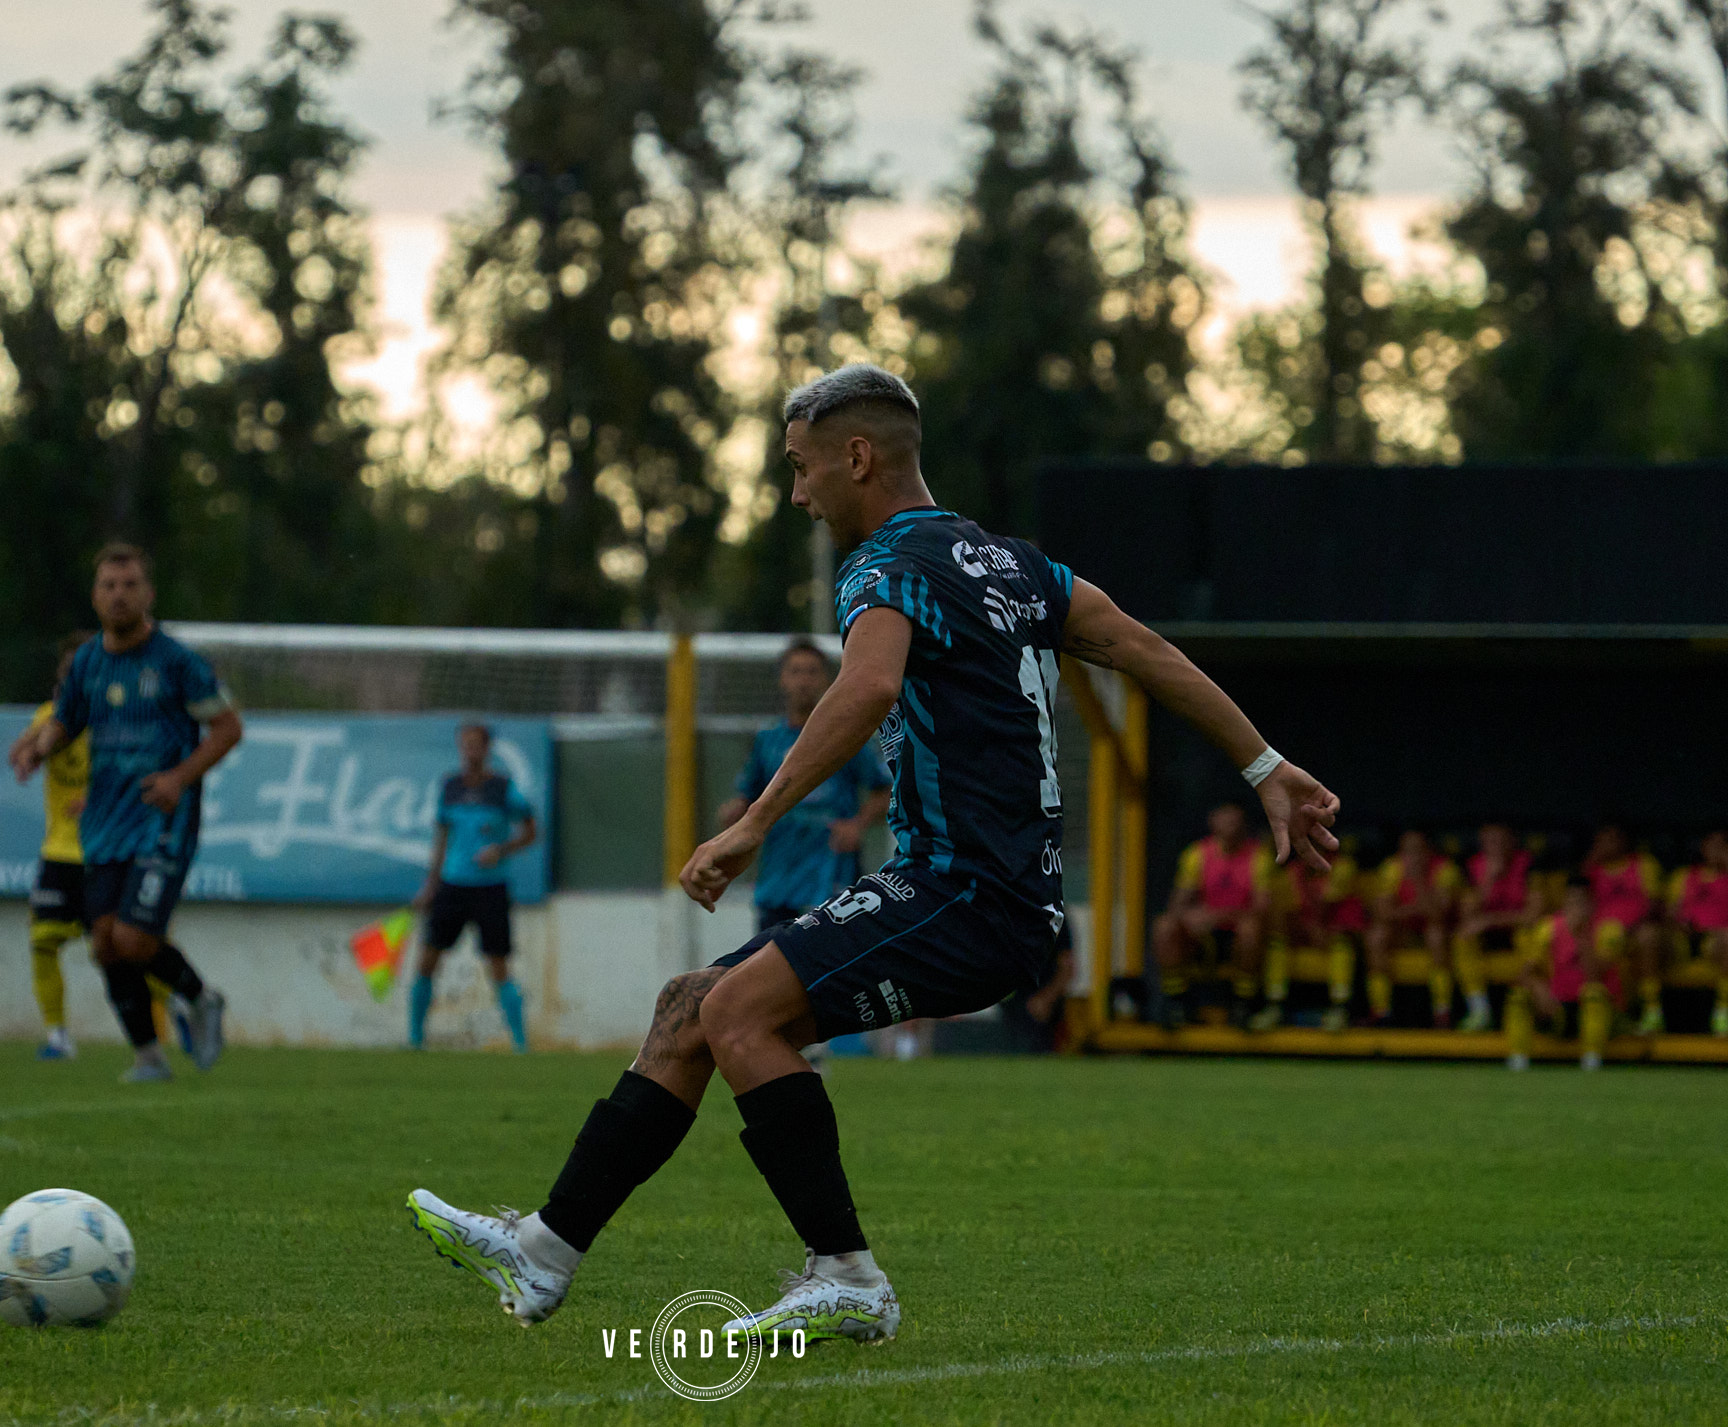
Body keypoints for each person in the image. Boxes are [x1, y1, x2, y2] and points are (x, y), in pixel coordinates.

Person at [404, 363, 1339, 1344]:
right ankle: (545, 1248)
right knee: (688, 1007)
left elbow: (867, 686)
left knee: (736, 1012)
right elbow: (1144, 647)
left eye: (800, 467)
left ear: (856, 457)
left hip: (965, 894)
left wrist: (753, 821)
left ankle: (846, 1272)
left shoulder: (883, 565)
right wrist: (1264, 764)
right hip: (974, 892)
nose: (796, 494)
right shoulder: (1013, 565)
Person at [9, 543, 241, 1083]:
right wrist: (39, 748)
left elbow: (228, 728)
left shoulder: (177, 663)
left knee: (134, 938)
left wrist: (179, 778)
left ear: (148, 594)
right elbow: (67, 718)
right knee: (106, 944)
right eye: (109, 586)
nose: (119, 595)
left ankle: (200, 998)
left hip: (163, 819)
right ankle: (149, 1057)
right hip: (104, 823)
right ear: (95, 597)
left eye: (130, 584)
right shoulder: (88, 662)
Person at [720, 638, 891, 935]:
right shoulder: (767, 740)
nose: (804, 681)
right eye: (796, 671)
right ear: (782, 679)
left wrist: (857, 824)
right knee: (767, 952)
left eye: (812, 672)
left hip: (832, 874)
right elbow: (748, 798)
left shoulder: (846, 734)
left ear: (826, 680)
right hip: (779, 876)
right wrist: (734, 818)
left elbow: (885, 790)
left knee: (833, 955)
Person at [409, 722, 540, 1053]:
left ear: (486, 749)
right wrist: (430, 886)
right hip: (452, 885)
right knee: (427, 960)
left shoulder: (502, 789)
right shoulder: (450, 787)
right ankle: (415, 1040)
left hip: (490, 888)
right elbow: (442, 839)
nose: (469, 751)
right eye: (464, 744)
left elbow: (530, 832)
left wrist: (501, 850)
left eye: (475, 744)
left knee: (498, 965)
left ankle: (520, 1044)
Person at [21, 633, 91, 1060]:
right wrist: (30, 751)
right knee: (43, 940)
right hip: (58, 851)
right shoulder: (49, 717)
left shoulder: (114, 722)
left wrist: (100, 796)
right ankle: (58, 1035)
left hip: (103, 851)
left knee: (122, 949)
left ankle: (176, 1004)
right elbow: (25, 753)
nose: (73, 677)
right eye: (68, 670)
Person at [1151, 804, 1275, 1029]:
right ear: (1212, 821)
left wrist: (1218, 916)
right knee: (1165, 926)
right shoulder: (1197, 854)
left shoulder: (1259, 857)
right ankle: (1176, 1002)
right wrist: (1190, 917)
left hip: (1237, 934)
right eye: (1224, 818)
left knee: (1251, 929)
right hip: (1202, 937)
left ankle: (1243, 1003)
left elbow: (1262, 908)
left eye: (1234, 820)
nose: (1229, 825)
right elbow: (1177, 904)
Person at [1506, 876, 1619, 1071]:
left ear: (1592, 904)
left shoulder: (1608, 929)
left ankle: (1592, 1059)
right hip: (1559, 1008)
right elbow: (1524, 975)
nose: (1576, 909)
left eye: (1581, 902)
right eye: (1571, 902)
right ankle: (1518, 1059)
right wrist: (1538, 987)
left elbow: (1595, 977)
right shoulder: (1549, 928)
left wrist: (1580, 937)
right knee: (1519, 997)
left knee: (1594, 994)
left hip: (1602, 1012)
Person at [1364, 829, 1462, 1028]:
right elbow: (1383, 913)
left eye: (1418, 850)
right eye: (1407, 851)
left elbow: (1438, 914)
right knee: (1377, 936)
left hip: (1435, 931)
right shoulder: (1392, 868)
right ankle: (1381, 1012)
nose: (1413, 856)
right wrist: (1414, 910)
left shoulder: (1445, 869)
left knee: (1436, 934)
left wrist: (1418, 881)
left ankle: (1442, 1012)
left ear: (1429, 851)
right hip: (1402, 930)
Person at [1262, 850, 1366, 1031]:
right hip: (1305, 933)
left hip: (1335, 932)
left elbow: (1329, 906)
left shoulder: (1342, 867)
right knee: (1277, 945)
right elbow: (1288, 912)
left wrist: (1319, 931)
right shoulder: (1292, 871)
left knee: (1342, 947)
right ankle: (1274, 1006)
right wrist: (1305, 931)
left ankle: (1340, 1008)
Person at [1450, 822, 1538, 1032]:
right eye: (1490, 842)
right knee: (1463, 938)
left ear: (1512, 842)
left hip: (1517, 931)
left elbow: (1534, 915)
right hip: (1486, 936)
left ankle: (1530, 1006)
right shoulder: (1472, 866)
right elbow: (1468, 913)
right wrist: (1489, 879)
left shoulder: (1529, 865)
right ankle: (1480, 1011)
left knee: (1531, 937)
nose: (1496, 847)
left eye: (1501, 841)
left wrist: (1491, 920)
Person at [1583, 824, 1665, 1034]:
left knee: (1648, 935)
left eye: (1612, 839)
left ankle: (1652, 1008)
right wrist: (1591, 862)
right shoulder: (1592, 870)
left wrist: (1629, 929)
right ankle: (1601, 1013)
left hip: (1636, 934)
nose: (1607, 845)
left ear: (1624, 841)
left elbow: (1655, 906)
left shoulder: (1643, 864)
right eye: (1602, 840)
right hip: (1602, 938)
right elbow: (1577, 904)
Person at [1665, 831, 1728, 1037]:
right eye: (1712, 845)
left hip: (1717, 941)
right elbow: (1669, 913)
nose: (1716, 851)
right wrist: (1681, 924)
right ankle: (1651, 1009)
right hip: (1684, 940)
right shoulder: (1684, 876)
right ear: (1703, 847)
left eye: (1722, 846)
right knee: (1649, 937)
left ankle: (1723, 1009)